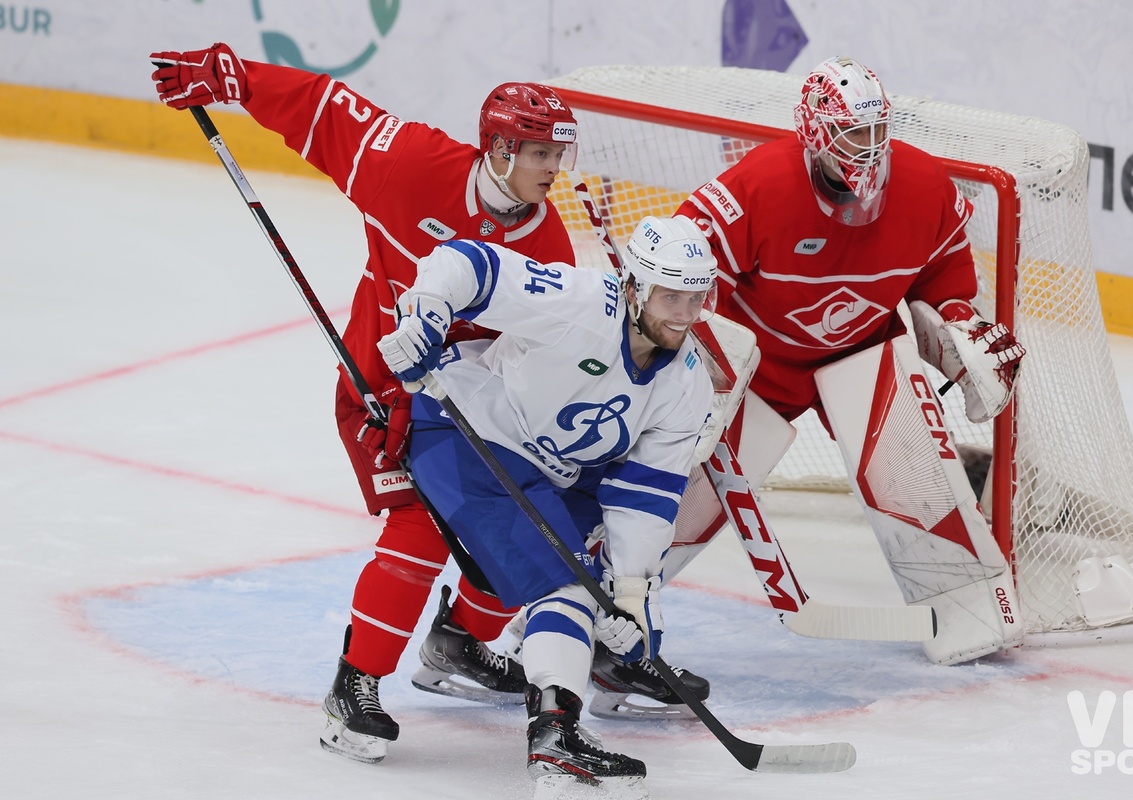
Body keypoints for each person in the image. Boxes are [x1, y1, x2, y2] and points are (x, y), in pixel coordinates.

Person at [147, 43, 708, 763]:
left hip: (462, 398)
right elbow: (325, 112)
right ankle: (353, 688)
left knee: (511, 522)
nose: (553, 169)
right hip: (380, 384)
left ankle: (458, 645)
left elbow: (529, 362)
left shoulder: (548, 243)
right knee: (418, 523)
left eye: (557, 154)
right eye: (538, 152)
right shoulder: (411, 164)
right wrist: (236, 78)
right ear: (498, 148)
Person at [674, 56, 1028, 665]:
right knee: (685, 496)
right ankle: (597, 600)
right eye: (850, 133)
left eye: (874, 132)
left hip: (863, 352)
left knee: (912, 479)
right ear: (813, 131)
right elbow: (682, 258)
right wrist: (697, 357)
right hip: (761, 365)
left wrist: (959, 327)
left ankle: (969, 611)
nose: (867, 150)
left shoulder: (922, 183)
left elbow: (944, 272)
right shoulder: (757, 183)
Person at [378, 215, 717, 790]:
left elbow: (645, 499)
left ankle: (552, 714)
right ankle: (556, 733)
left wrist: (632, 596)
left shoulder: (688, 384)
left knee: (592, 586)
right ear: (633, 287)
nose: (684, 315)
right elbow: (466, 264)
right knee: (565, 581)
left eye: (695, 297)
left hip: (561, 473)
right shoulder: (579, 302)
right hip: (470, 435)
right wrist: (426, 316)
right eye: (669, 296)